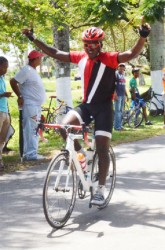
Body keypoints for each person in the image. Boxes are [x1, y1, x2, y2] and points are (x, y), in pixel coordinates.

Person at [22, 17, 151, 205]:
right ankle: (81, 156)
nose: (90, 47)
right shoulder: (80, 57)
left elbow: (131, 53)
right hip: (87, 106)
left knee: (102, 148)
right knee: (63, 127)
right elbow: (55, 52)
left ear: (100, 44)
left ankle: (100, 189)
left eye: (94, 44)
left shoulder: (110, 58)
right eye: (86, 44)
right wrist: (34, 39)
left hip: (104, 109)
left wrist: (142, 37)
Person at [10, 50, 46, 161]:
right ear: (34, 59)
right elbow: (13, 81)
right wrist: (19, 96)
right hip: (30, 105)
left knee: (33, 128)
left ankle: (29, 153)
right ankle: (31, 154)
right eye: (40, 58)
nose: (41, 59)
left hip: (35, 105)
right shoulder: (27, 70)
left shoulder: (33, 71)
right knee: (31, 129)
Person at [0, 56, 13, 171]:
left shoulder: (2, 78)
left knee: (3, 138)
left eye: (7, 67)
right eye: (4, 67)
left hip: (4, 111)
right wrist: (3, 95)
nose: (6, 70)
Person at [114, 63, 128, 131]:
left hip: (122, 95)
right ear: (118, 67)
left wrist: (126, 95)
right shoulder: (116, 74)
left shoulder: (123, 75)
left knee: (121, 111)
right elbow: (113, 85)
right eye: (120, 66)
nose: (122, 68)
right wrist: (115, 94)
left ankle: (120, 126)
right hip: (118, 95)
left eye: (123, 66)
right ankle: (117, 127)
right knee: (117, 111)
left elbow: (124, 86)